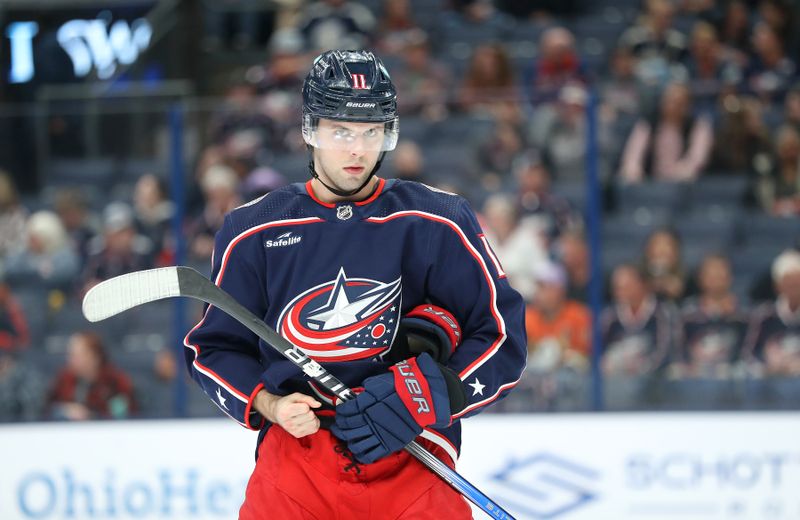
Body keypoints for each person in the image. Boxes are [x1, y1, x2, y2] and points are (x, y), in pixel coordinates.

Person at [184, 50, 527, 519]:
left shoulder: (437, 221)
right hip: (296, 465)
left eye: (371, 132)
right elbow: (213, 349)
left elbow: (502, 336)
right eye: (340, 130)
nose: (357, 150)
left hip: (413, 453)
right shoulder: (254, 229)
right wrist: (270, 404)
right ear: (310, 130)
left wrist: (433, 392)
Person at [46, 331, 138, 420]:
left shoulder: (115, 381)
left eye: (77, 355)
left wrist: (92, 415)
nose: (71, 360)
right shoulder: (64, 379)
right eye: (70, 355)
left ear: (95, 357)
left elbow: (123, 414)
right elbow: (48, 409)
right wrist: (64, 410)